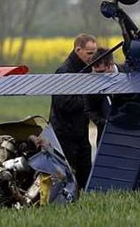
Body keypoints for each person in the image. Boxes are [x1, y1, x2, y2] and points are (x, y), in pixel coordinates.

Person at [49, 33, 97, 190]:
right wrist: (90, 98)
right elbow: (64, 103)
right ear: (78, 50)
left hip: (81, 133)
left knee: (85, 175)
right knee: (66, 178)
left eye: (94, 53)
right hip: (64, 135)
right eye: (89, 53)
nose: (92, 57)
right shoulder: (65, 72)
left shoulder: (88, 70)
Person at [84, 47, 119, 146]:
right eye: (95, 72)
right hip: (105, 137)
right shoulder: (91, 82)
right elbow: (89, 110)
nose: (97, 76)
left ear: (111, 66)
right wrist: (105, 122)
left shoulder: (128, 74)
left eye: (101, 72)